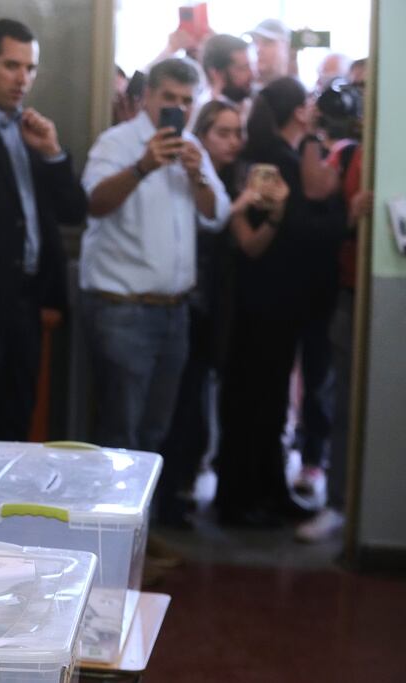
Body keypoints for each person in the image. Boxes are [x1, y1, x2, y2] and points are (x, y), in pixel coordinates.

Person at [0, 18, 88, 476]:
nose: (22, 78)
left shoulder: (30, 129)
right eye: (12, 66)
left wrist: (52, 153)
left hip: (26, 304)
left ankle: (1, 537)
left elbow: (73, 211)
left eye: (30, 68)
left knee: (15, 425)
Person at [79, 57, 230, 453]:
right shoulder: (117, 143)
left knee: (155, 433)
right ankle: (112, 517)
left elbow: (218, 214)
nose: (178, 109)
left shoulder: (192, 148)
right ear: (147, 96)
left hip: (175, 313)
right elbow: (94, 203)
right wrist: (143, 166)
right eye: (169, 98)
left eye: (186, 100)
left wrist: (197, 175)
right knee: (119, 433)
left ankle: (147, 516)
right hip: (122, 310)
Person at [214, 77, 345, 528]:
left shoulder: (268, 157)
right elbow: (303, 230)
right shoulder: (279, 162)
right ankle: (244, 496)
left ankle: (261, 490)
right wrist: (348, 213)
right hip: (268, 301)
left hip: (262, 299)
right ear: (298, 110)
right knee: (257, 402)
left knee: (260, 402)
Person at [157, 100, 245, 527]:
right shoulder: (183, 170)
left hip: (214, 313)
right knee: (180, 409)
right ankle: (169, 497)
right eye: (222, 132)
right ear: (202, 134)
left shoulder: (224, 177)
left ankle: (181, 487)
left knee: (196, 405)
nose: (232, 141)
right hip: (186, 307)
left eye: (237, 132)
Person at [297, 76, 372, 543]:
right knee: (341, 399)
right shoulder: (350, 154)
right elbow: (320, 207)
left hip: (365, 293)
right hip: (345, 290)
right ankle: (339, 502)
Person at [197, 34, 254, 122]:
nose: (252, 74)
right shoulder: (202, 115)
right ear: (216, 73)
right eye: (242, 69)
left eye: (251, 66)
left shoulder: (247, 105)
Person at [248, 18, 292, 86]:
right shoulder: (242, 91)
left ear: (286, 48)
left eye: (267, 42)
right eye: (255, 42)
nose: (258, 50)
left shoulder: (298, 93)